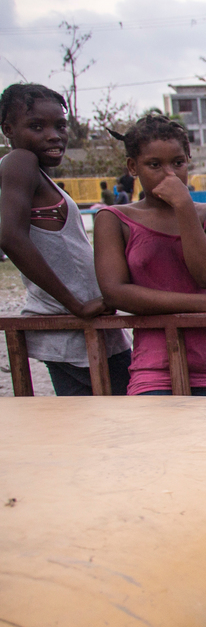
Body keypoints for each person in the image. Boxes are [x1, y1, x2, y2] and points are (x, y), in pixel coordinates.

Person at [93, 114, 206, 396]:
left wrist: (184, 207)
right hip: (153, 365)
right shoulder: (114, 219)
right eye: (154, 165)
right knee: (158, 439)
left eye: (178, 163)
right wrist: (204, 305)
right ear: (133, 167)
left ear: (188, 160)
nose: (169, 174)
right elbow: (115, 292)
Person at [0, 83, 132, 395]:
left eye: (60, 125)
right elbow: (9, 236)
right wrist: (75, 304)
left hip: (85, 325)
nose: (54, 135)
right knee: (116, 428)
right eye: (36, 126)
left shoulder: (37, 174)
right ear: (8, 129)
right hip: (74, 327)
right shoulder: (20, 161)